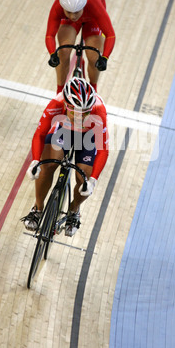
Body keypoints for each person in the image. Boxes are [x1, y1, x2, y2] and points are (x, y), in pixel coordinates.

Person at [21, 77, 109, 237]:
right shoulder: (57, 103)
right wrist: (35, 161)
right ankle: (38, 208)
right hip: (64, 132)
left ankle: (74, 210)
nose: (81, 118)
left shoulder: (99, 110)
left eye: (85, 113)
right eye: (75, 113)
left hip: (88, 137)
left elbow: (103, 150)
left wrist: (93, 180)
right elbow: (40, 134)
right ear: (66, 105)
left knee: (84, 182)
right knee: (47, 166)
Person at [46, 0, 115, 94]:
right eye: (68, 12)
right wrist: (53, 54)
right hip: (78, 16)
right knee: (63, 52)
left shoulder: (94, 4)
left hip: (91, 17)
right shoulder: (58, 5)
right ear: (63, 6)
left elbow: (110, 35)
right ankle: (59, 92)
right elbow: (50, 35)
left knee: (94, 57)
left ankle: (93, 91)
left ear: (83, 5)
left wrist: (104, 58)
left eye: (76, 12)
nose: (73, 16)